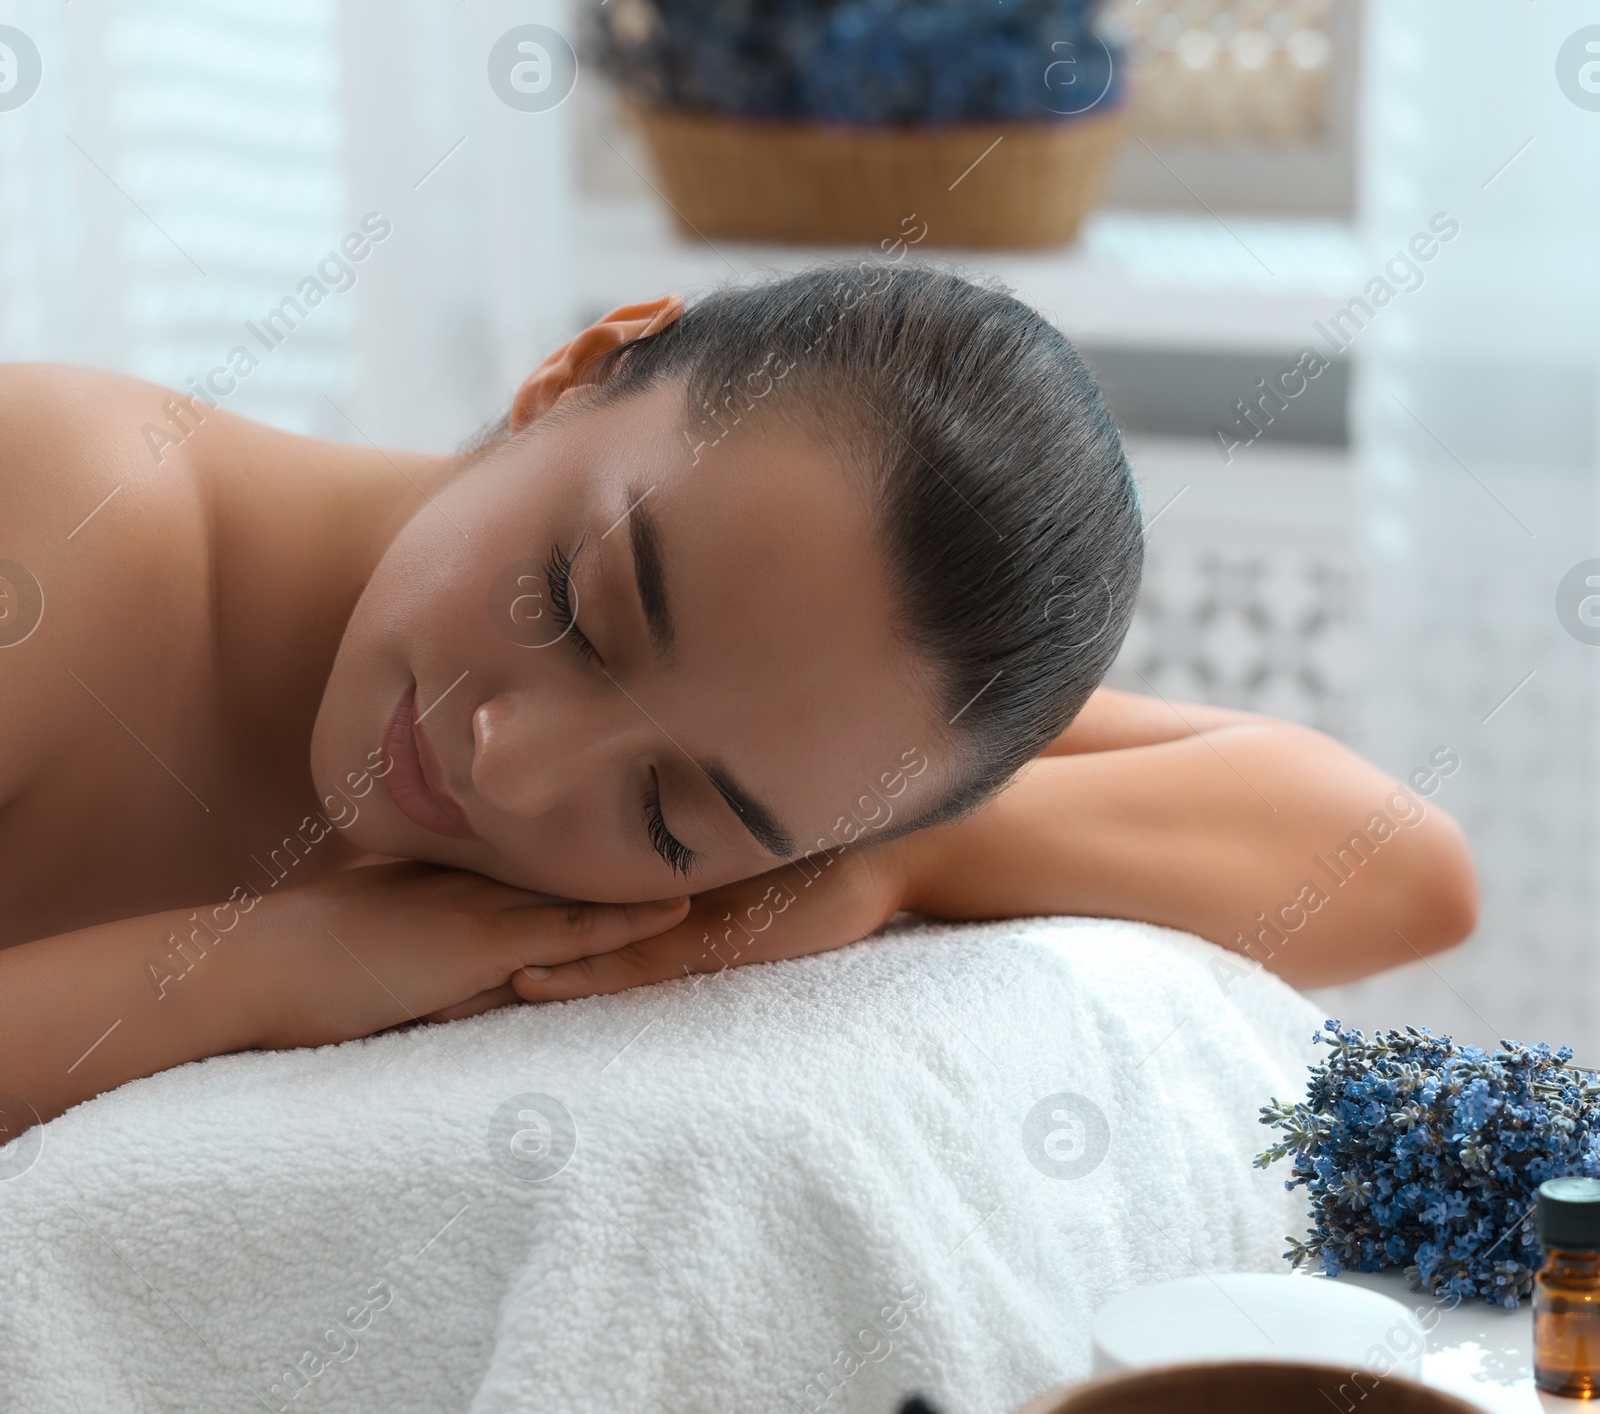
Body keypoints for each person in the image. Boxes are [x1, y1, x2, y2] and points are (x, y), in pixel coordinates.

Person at [0, 263, 1475, 1135]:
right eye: (576, 609)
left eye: (673, 811)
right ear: (574, 375)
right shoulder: (61, 522)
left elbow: (1397, 865)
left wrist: (904, 852)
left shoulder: (820, 705)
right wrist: (257, 968)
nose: (512, 763)